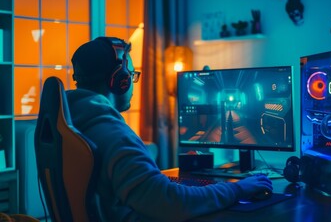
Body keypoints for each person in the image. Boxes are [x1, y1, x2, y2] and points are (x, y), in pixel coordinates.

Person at [66, 36, 273, 222]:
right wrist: (238, 188)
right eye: (130, 74)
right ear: (120, 80)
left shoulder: (72, 122)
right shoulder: (115, 136)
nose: (131, 81)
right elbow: (172, 203)